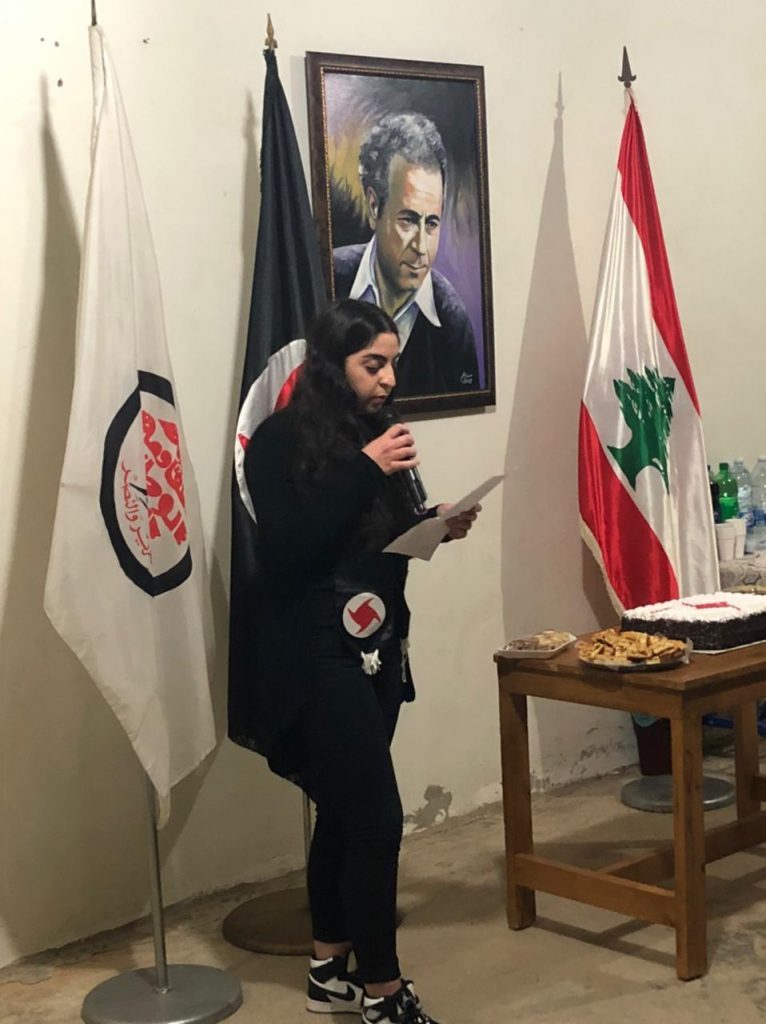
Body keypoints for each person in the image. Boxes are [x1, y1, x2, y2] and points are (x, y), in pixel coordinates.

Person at [241, 298, 479, 1024]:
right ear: (330, 365)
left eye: (392, 363)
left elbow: (370, 536)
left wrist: (433, 523)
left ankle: (328, 972)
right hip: (314, 649)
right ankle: (383, 993)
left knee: (345, 817)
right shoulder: (278, 441)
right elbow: (291, 550)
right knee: (376, 820)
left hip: (377, 641)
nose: (388, 379)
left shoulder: (376, 433)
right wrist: (364, 469)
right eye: (372, 364)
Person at [333, 112, 480, 399]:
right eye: (408, 221)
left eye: (432, 224)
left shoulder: (452, 320)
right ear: (374, 207)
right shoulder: (331, 281)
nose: (421, 247)